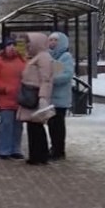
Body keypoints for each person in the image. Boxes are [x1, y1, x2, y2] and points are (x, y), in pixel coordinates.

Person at [16, 33, 55, 165]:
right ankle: (36, 154)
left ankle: (39, 155)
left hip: (35, 95)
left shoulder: (43, 57)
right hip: (30, 94)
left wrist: (43, 97)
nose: (27, 45)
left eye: (29, 42)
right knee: (33, 126)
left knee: (36, 126)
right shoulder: (36, 56)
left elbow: (46, 79)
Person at [0, 39, 26, 159]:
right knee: (6, 124)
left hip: (20, 98)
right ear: (4, 48)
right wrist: (3, 88)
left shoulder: (21, 60)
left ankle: (16, 149)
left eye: (14, 45)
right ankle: (4, 150)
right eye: (9, 45)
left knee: (18, 125)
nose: (12, 48)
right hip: (5, 98)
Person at [46, 31, 75, 159]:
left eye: (55, 40)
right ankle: (54, 147)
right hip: (51, 97)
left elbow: (67, 75)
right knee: (52, 124)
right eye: (51, 40)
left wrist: (51, 79)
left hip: (60, 98)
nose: (52, 42)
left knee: (58, 125)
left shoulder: (65, 57)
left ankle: (59, 150)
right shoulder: (50, 56)